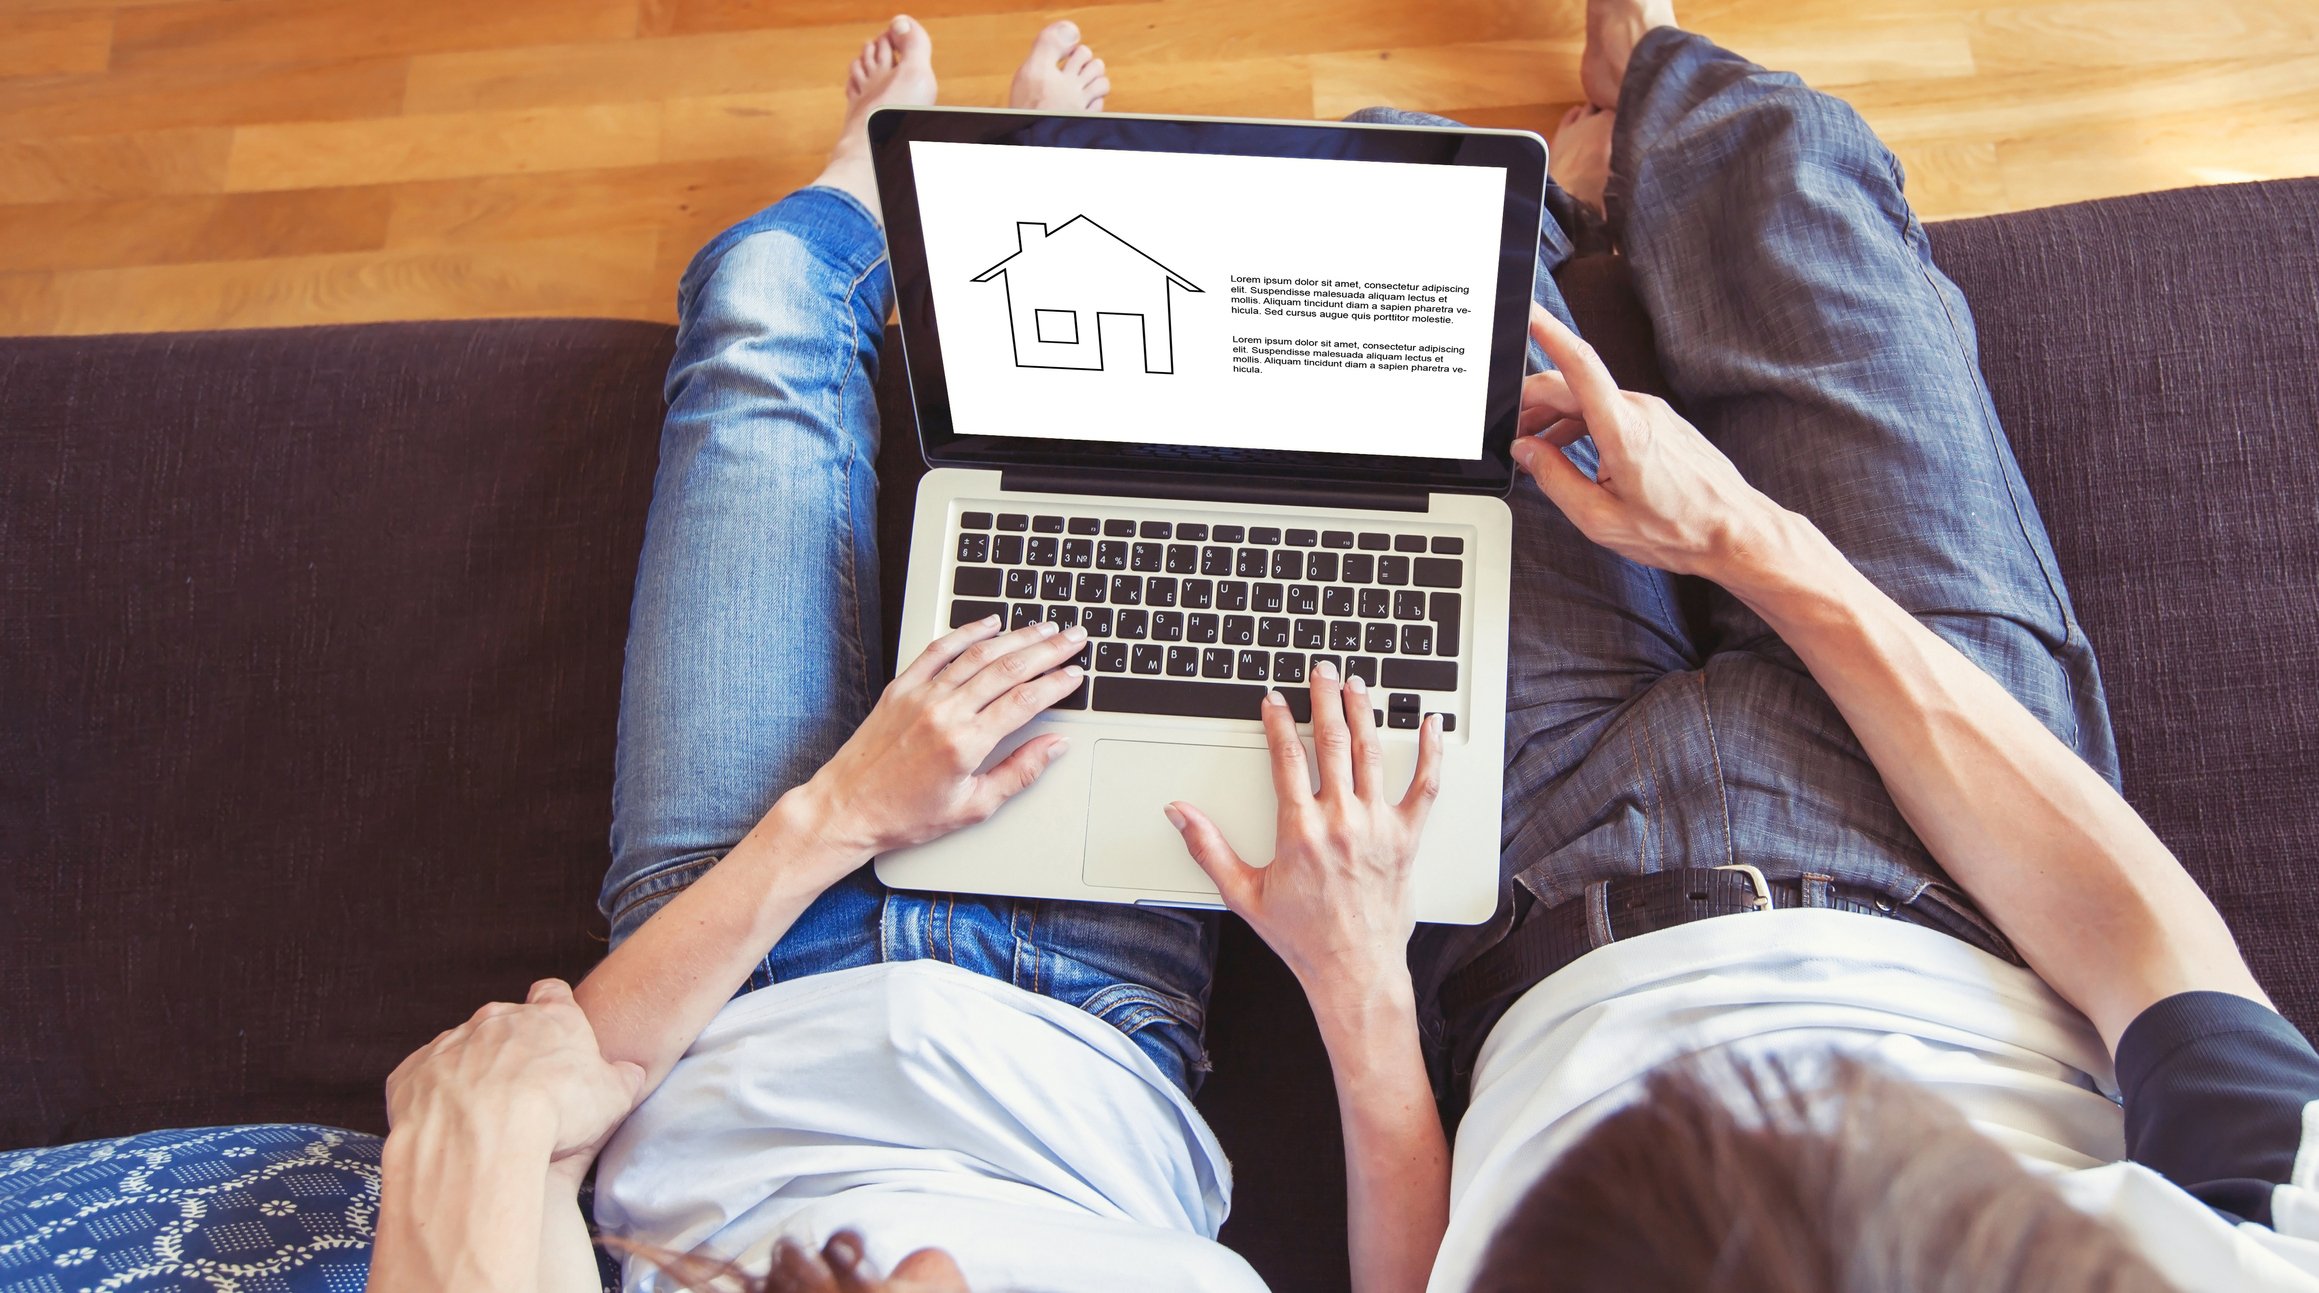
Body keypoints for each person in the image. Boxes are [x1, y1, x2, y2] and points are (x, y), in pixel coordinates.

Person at [368, 15, 1448, 1293]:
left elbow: (542, 1094)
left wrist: (835, 817)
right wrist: (1363, 974)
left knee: (762, 294)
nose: (924, 1256)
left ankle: (872, 176)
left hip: (732, 965)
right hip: (1084, 999)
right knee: (1146, 417)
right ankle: (1029, 179)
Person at [1351, 2, 2318, 1291]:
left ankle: (1562, 209)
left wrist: (1356, 979)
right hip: (1947, 865)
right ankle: (1645, 69)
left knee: (1404, 185)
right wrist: (1753, 542)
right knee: (1785, 166)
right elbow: (2160, 964)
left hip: (1523, 891)